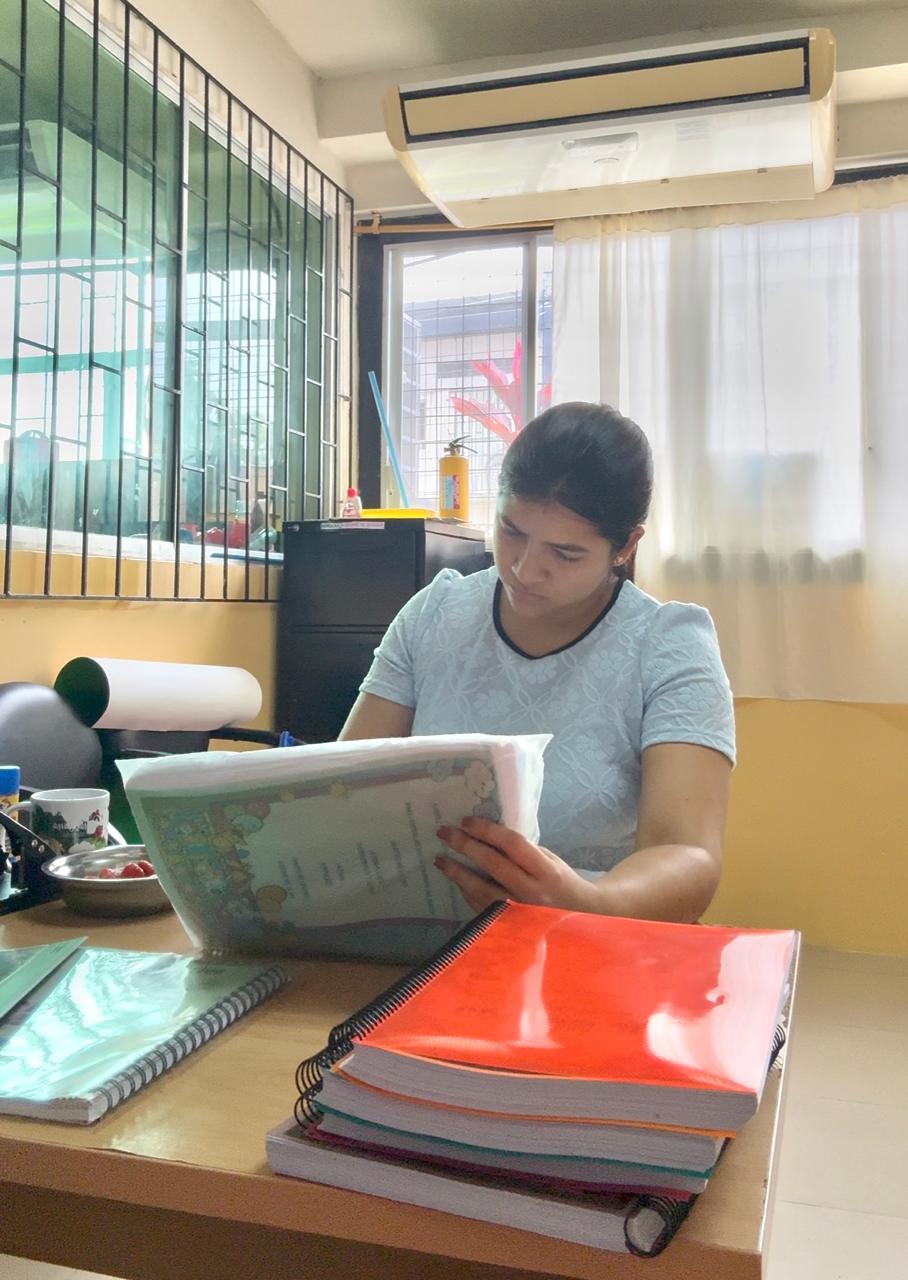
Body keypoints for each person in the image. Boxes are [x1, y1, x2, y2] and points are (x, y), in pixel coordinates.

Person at [340, 402, 735, 924]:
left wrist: (588, 904)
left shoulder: (668, 646)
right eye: (511, 531)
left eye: (565, 554)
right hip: (420, 932)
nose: (526, 570)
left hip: (591, 939)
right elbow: (342, 786)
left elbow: (687, 852)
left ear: (625, 546)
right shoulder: (435, 614)